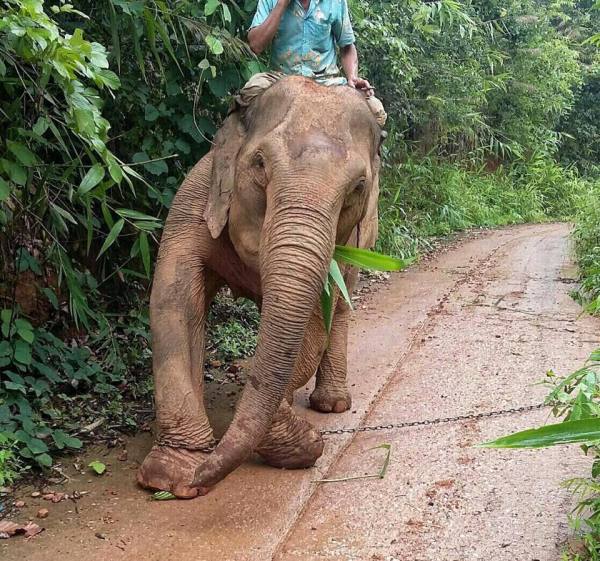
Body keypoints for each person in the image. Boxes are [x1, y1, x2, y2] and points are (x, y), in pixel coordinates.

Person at [239, 0, 386, 126]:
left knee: (376, 111)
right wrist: (281, 4)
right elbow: (256, 45)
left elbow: (347, 47)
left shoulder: (335, 2)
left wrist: (352, 77)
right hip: (280, 79)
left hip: (326, 81)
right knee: (249, 92)